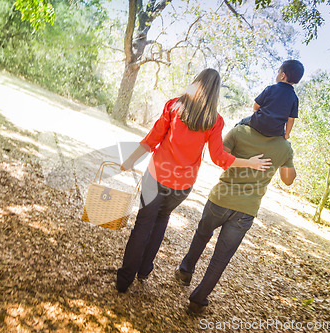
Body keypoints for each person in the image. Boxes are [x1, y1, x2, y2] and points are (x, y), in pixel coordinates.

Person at [116, 68, 272, 293]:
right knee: (161, 220)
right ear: (215, 93)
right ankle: (144, 270)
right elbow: (219, 158)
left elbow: (152, 139)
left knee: (143, 225)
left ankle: (124, 279)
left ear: (196, 83)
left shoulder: (174, 106)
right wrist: (249, 163)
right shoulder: (214, 121)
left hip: (157, 176)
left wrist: (130, 160)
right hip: (182, 186)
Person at [175, 123, 297, 314]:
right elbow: (288, 180)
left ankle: (185, 271)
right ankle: (197, 301)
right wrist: (285, 155)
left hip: (221, 198)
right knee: (221, 257)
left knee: (202, 234)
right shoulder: (284, 147)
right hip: (246, 209)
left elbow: (220, 156)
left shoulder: (240, 131)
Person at [236, 60, 304, 139]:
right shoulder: (294, 98)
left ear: (282, 75)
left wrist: (255, 113)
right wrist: (287, 134)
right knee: (283, 133)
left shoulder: (270, 89)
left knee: (241, 123)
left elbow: (256, 105)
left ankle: (234, 136)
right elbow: (291, 119)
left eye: (278, 72)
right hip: (276, 131)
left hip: (258, 123)